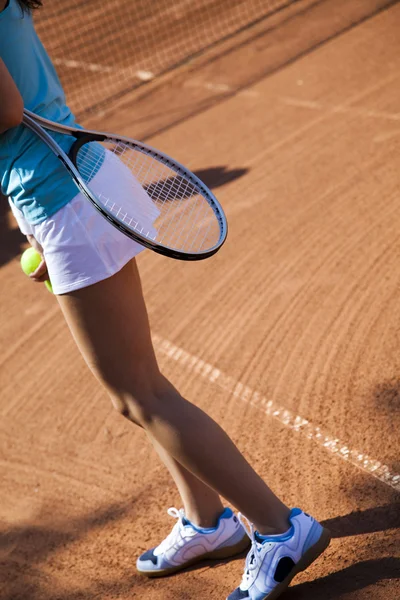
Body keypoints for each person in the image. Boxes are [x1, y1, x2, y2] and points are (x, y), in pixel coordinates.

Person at [0, 1, 331, 598]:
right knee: (139, 387)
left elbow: (4, 108)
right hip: (71, 181)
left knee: (138, 394)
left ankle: (280, 530)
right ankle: (208, 523)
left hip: (64, 195)